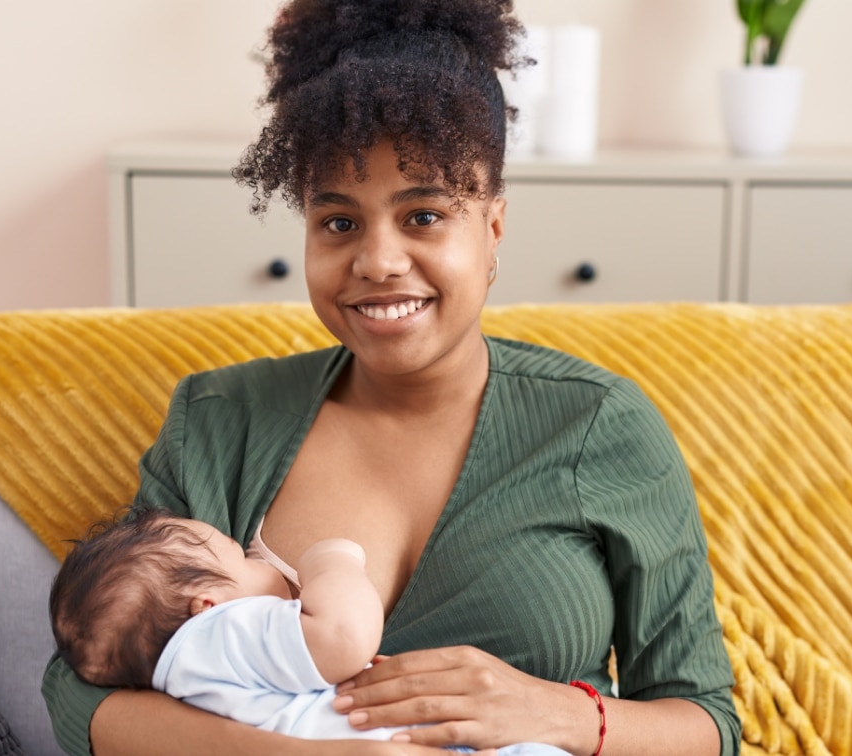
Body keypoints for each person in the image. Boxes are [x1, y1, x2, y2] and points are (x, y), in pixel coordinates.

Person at [41, 0, 741, 754]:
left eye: (424, 216)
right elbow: (81, 690)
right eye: (338, 222)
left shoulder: (599, 425)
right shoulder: (219, 418)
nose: (377, 261)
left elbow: (707, 724)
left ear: (493, 227)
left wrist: (554, 714)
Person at [48, 507, 569, 755]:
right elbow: (344, 636)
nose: (258, 558)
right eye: (239, 554)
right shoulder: (218, 634)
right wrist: (332, 562)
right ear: (207, 605)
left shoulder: (182, 678)